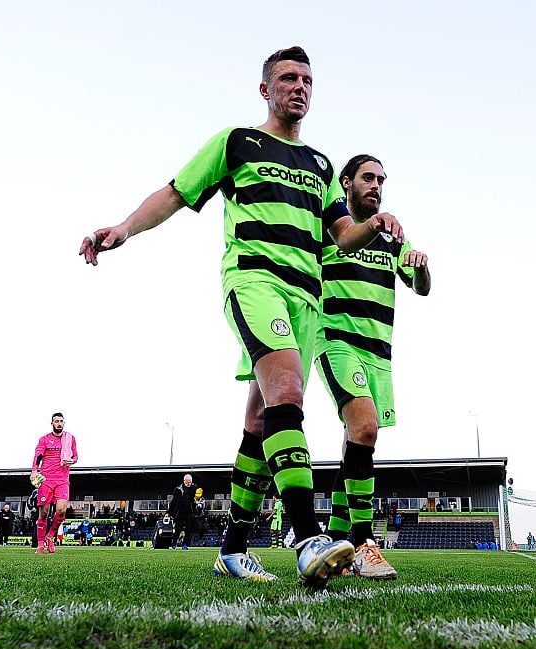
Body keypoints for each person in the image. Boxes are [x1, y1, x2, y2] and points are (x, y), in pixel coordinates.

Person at [79, 46, 402, 588]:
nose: (299, 87)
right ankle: (306, 538)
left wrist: (377, 226)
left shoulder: (322, 166)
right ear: (265, 89)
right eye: (287, 78)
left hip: (307, 300)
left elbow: (342, 235)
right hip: (254, 283)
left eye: (306, 80)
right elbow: (176, 193)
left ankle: (231, 548)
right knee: (288, 393)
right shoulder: (237, 142)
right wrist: (124, 229)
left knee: (259, 421)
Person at [318, 154, 429, 582]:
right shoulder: (331, 229)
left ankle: (337, 540)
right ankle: (364, 543)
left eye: (381, 179)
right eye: (368, 177)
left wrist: (421, 266)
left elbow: (420, 288)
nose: (376, 185)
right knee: (364, 427)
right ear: (346, 182)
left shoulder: (394, 239)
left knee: (355, 443)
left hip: (378, 354)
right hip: (336, 341)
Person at [30, 412, 78, 555]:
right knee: (43, 513)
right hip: (46, 479)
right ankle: (40, 544)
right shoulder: (44, 439)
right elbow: (38, 456)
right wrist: (34, 471)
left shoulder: (69, 439)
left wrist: (73, 461)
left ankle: (50, 537)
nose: (59, 423)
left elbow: (75, 456)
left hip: (62, 480)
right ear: (52, 423)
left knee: (62, 510)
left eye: (61, 421)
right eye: (56, 421)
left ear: (64, 423)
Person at [166, 474, 199, 550]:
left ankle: (185, 544)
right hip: (179, 512)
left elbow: (199, 499)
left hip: (190, 512)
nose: (188, 483)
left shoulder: (195, 489)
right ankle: (174, 542)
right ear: (184, 481)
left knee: (189, 529)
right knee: (178, 528)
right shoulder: (178, 490)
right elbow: (173, 502)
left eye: (190, 482)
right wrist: (168, 512)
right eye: (187, 482)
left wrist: (198, 502)